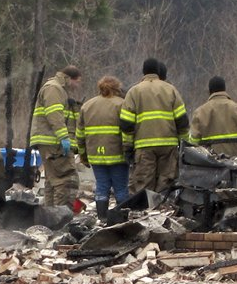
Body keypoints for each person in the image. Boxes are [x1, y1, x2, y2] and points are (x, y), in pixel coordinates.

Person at [120, 58, 190, 194]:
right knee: (166, 184)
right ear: (158, 71)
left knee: (143, 185)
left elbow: (127, 124)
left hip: (144, 146)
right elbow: (182, 121)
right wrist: (184, 145)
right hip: (168, 145)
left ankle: (145, 211)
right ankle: (163, 210)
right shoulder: (171, 90)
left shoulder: (134, 92)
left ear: (143, 71)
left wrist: (128, 147)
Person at [76, 76, 129, 222]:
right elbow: (127, 132)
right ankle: (121, 220)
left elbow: (80, 135)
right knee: (121, 188)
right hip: (118, 155)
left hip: (95, 155)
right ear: (117, 87)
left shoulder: (87, 106)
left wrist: (83, 155)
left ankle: (102, 218)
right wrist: (130, 152)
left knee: (101, 186)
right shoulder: (122, 104)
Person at [29, 66, 82, 208]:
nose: (77, 86)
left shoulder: (58, 89)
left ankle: (50, 217)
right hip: (54, 142)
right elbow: (55, 115)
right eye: (77, 82)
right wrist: (64, 137)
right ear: (69, 78)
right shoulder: (54, 88)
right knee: (67, 179)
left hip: (50, 141)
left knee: (53, 181)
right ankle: (61, 218)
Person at [189, 76, 237, 158]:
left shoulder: (200, 113)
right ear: (224, 89)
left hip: (210, 164)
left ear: (210, 91)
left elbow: (193, 143)